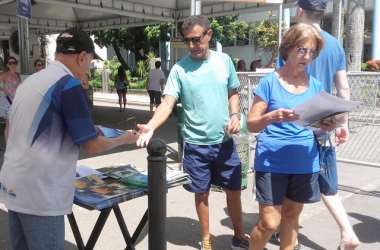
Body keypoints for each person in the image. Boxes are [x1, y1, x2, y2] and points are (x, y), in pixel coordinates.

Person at [0, 28, 139, 250]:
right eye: (91, 62)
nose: (88, 69)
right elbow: (91, 146)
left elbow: (12, 129)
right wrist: (124, 139)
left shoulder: (30, 82)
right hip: (41, 193)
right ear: (82, 57)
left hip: (13, 185)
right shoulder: (69, 85)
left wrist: (84, 128)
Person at [136, 15, 249, 250]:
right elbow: (167, 104)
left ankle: (239, 238)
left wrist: (235, 115)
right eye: (187, 40)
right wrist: (151, 126)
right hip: (195, 145)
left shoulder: (224, 61)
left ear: (208, 35)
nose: (191, 46)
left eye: (196, 39)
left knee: (234, 191)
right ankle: (206, 238)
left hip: (224, 142)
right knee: (201, 193)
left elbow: (233, 92)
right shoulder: (179, 69)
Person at [276, 1, 359, 249]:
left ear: (299, 11)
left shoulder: (292, 43)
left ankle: (289, 234)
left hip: (296, 126)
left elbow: (283, 83)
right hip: (324, 126)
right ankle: (345, 232)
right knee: (326, 185)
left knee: (288, 181)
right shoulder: (334, 44)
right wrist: (343, 122)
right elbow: (343, 88)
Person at [247, 23, 338, 250]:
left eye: (312, 52)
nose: (307, 56)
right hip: (272, 161)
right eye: (301, 50)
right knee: (269, 222)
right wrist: (272, 116)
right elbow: (251, 124)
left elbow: (313, 128)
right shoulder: (269, 82)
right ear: (287, 49)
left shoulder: (316, 85)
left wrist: (325, 127)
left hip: (304, 162)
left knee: (290, 219)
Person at [0, 56, 22, 142]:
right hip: (8, 102)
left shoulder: (18, 75)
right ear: (7, 65)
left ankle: (14, 143)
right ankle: (8, 145)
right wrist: (4, 89)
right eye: (10, 63)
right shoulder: (5, 75)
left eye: (14, 63)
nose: (12, 65)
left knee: (16, 123)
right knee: (8, 124)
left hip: (17, 102)